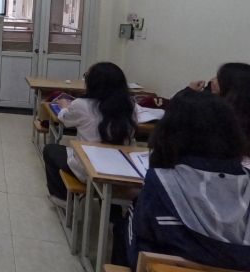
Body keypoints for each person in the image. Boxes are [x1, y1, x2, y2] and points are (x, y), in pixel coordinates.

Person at [125, 89, 250, 271]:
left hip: (167, 266)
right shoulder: (245, 181)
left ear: (170, 130)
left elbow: (140, 243)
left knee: (128, 218)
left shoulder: (160, 181)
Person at [43, 62, 137, 208]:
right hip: (122, 170)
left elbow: (63, 118)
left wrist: (65, 106)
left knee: (50, 150)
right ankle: (113, 212)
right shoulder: (129, 105)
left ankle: (62, 198)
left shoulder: (81, 104)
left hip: (89, 168)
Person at [186, 62, 250, 154]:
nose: (212, 80)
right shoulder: (213, 103)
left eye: (218, 77)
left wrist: (188, 92)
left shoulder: (219, 114)